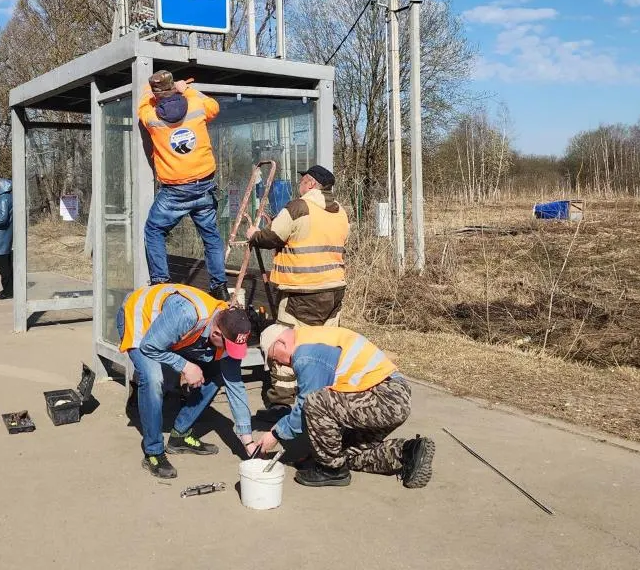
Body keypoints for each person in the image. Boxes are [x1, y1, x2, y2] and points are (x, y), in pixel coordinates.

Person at [253, 324, 433, 489]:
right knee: (347, 457)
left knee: (315, 403)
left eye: (275, 358)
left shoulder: (305, 354)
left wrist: (275, 434)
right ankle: (409, 452)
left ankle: (331, 470)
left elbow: (307, 406)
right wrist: (319, 451)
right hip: (388, 397)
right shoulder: (312, 336)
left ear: (282, 342)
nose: (279, 364)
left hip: (384, 398)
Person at [119, 282, 253, 479]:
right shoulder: (188, 315)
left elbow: (235, 385)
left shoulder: (229, 325)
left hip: (171, 329)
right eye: (228, 347)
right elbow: (149, 347)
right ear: (216, 334)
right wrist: (186, 366)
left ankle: (179, 435)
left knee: (218, 372)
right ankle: (153, 452)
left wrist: (248, 440)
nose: (230, 353)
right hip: (141, 319)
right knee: (153, 378)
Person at [246, 165, 350, 408]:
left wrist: (253, 233)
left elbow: (272, 237)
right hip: (334, 291)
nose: (299, 185)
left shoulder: (298, 207)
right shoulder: (340, 212)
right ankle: (322, 396)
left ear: (311, 184)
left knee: (286, 341)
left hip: (301, 291)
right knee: (322, 343)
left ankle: (281, 402)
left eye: (303, 181)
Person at [137, 70, 228, 300]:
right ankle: (219, 286)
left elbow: (142, 104)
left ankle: (161, 282)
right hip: (204, 185)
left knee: (154, 230)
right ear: (174, 89)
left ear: (157, 95)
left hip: (175, 191)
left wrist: (151, 91)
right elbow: (214, 106)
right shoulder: (196, 104)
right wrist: (185, 88)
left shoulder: (152, 117)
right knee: (211, 237)